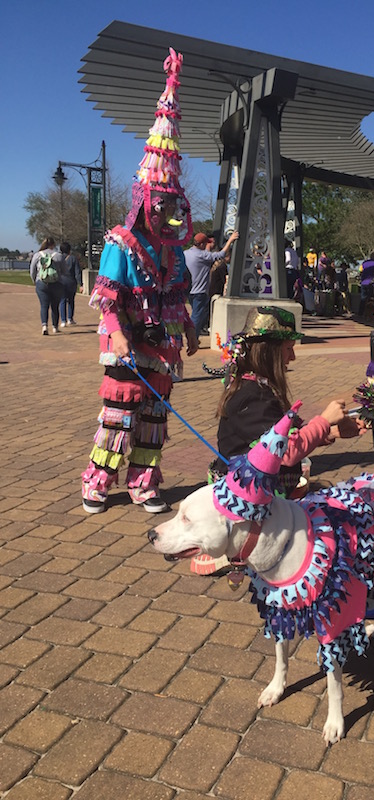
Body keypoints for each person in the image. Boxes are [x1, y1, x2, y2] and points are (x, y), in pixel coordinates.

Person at [81, 47, 199, 515]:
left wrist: (187, 326)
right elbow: (107, 299)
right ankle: (98, 479)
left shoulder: (172, 247)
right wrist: (119, 334)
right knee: (118, 415)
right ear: (146, 198)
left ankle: (143, 481)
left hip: (162, 346)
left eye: (174, 205)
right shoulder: (121, 241)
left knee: (153, 419)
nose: (168, 213)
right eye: (162, 204)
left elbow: (175, 293)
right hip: (127, 341)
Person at [211, 306, 365, 494]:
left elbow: (285, 437)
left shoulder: (257, 388)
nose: (292, 357)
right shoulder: (251, 396)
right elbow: (286, 451)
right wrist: (324, 421)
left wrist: (331, 432)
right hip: (244, 501)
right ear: (269, 352)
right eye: (288, 349)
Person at [185, 229, 239, 337]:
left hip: (188, 290)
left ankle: (193, 336)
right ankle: (192, 338)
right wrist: (231, 240)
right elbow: (221, 255)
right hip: (199, 291)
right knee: (197, 316)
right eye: (206, 243)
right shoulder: (202, 255)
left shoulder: (186, 253)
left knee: (198, 314)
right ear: (201, 244)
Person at [30, 237, 67, 335]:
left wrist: (35, 280)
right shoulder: (59, 256)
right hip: (56, 283)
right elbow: (64, 271)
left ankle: (44, 326)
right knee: (55, 306)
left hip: (42, 282)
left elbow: (32, 270)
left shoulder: (37, 255)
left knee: (44, 305)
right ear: (53, 245)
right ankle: (55, 327)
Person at [59, 242, 82, 327]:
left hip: (61, 281)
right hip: (71, 282)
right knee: (71, 301)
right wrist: (81, 284)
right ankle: (70, 318)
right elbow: (77, 272)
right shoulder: (73, 259)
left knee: (62, 301)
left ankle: (63, 320)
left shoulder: (59, 258)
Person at [358, 250, 374, 317]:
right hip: (371, 282)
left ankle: (361, 313)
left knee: (363, 298)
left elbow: (360, 270)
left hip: (364, 282)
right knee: (372, 299)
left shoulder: (364, 263)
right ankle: (371, 314)